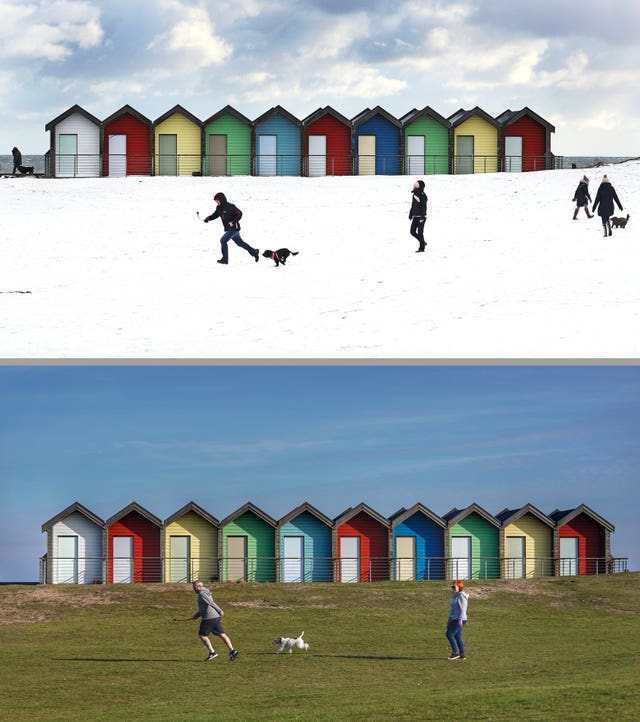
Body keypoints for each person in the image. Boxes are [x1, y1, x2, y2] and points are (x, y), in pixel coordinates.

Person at [189, 580, 238, 662]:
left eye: (194, 587)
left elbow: (211, 603)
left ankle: (212, 652)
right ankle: (232, 651)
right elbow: (204, 606)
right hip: (215, 617)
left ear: (199, 586)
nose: (193, 589)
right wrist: (197, 615)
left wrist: (220, 610)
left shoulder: (202, 593)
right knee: (221, 634)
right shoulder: (204, 592)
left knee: (202, 635)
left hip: (209, 618)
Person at [204, 192, 259, 265]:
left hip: (233, 228)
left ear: (221, 199)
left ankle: (225, 259)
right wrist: (209, 218)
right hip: (230, 229)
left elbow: (239, 213)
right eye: (216, 201)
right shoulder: (219, 207)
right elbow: (216, 215)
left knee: (223, 241)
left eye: (217, 200)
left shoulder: (230, 206)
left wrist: (233, 221)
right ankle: (254, 252)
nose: (216, 202)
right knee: (240, 243)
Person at [445, 580, 469, 660]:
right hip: (453, 618)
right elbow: (452, 609)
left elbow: (463, 609)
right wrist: (449, 618)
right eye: (452, 587)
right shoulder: (455, 596)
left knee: (449, 634)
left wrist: (460, 619)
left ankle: (455, 653)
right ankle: (462, 655)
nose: (453, 588)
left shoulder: (462, 596)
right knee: (457, 636)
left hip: (459, 619)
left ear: (460, 587)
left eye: (454, 587)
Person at [408, 180, 428, 252]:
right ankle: (422, 242)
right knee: (412, 231)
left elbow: (424, 207)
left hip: (421, 217)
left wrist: (422, 217)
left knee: (420, 232)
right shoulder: (414, 195)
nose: (414, 188)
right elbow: (413, 205)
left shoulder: (423, 195)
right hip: (415, 216)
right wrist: (411, 214)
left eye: (416, 186)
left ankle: (422, 248)